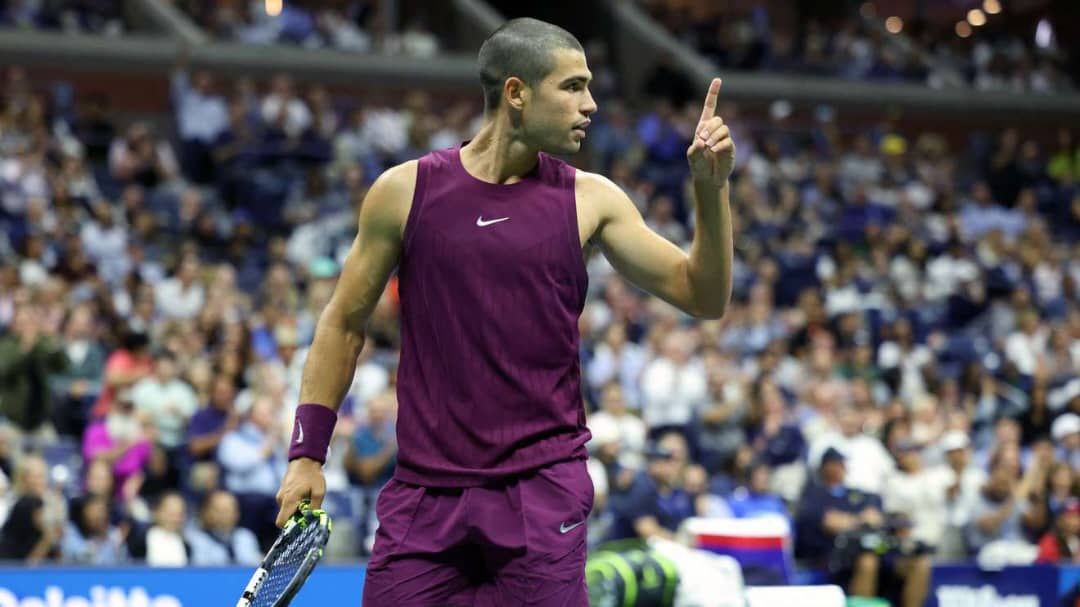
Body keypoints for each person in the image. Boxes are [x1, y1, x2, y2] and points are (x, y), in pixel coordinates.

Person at [273, 17, 735, 606]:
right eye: (573, 86)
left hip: (542, 495)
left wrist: (711, 190)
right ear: (516, 92)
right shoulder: (405, 191)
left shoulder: (591, 200)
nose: (590, 105)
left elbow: (704, 295)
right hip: (424, 497)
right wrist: (307, 455)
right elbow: (342, 323)